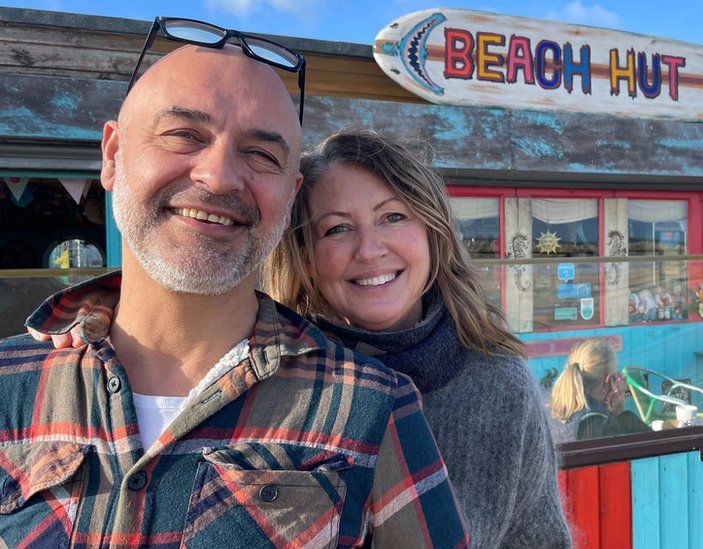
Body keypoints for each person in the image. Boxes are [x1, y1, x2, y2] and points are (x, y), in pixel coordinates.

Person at [5, 34, 466, 548]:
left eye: (261, 154)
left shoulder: (375, 408)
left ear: (289, 198)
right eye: (184, 134)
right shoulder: (11, 385)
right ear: (112, 154)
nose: (220, 176)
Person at [263, 129, 571, 548]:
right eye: (337, 229)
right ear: (307, 257)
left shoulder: (499, 386)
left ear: (432, 232)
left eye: (393, 217)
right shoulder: (272, 382)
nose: (370, 250)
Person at [548, 339, 648, 443]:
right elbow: (650, 448)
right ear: (609, 380)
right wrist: (621, 413)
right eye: (615, 377)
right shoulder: (601, 425)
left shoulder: (557, 412)